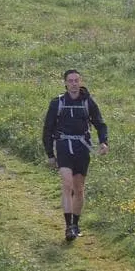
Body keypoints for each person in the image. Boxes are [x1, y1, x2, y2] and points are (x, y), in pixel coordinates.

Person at [42, 69, 108, 240]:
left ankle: (76, 224)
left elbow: (100, 124)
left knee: (79, 189)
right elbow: (47, 129)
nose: (73, 83)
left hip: (82, 147)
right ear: (65, 83)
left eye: (76, 80)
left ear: (80, 81)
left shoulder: (88, 103)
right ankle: (68, 227)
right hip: (64, 145)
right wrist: (50, 153)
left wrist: (103, 142)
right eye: (70, 81)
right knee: (67, 184)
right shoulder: (57, 103)